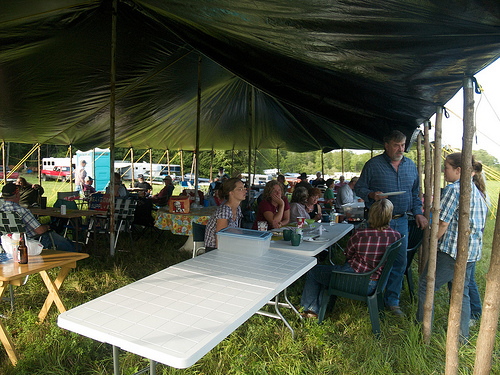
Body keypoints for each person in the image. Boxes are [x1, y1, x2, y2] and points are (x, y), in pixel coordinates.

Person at [355, 130, 427, 316]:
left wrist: (418, 213)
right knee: (376, 260)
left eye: (403, 145)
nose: (400, 149)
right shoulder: (373, 165)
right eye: (396, 145)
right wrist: (372, 195)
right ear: (386, 145)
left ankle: (392, 301)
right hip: (378, 221)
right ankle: (373, 295)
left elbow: (415, 195)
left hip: (401, 220)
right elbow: (360, 188)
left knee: (399, 261)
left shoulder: (410, 166)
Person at [416, 152, 487, 342]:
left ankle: (421, 329)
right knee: (460, 292)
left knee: (425, 285)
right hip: (470, 253)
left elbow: (443, 223)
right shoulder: (478, 191)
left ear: (459, 170)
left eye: (446, 167)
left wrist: (432, 241)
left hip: (452, 252)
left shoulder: (454, 190)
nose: (444, 171)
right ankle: (461, 337)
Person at [300, 199, 401, 318]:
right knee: (327, 273)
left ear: (371, 214)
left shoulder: (361, 234)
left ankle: (309, 310)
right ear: (389, 216)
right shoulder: (396, 236)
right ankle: (321, 306)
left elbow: (347, 254)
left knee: (313, 271)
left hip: (354, 280)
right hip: (377, 283)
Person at [0, 183, 76, 251]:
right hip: (31, 242)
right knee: (65, 243)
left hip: (8, 243)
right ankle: (77, 251)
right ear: (17, 195)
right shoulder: (22, 211)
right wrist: (48, 226)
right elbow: (40, 231)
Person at [204, 178, 246, 251]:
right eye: (240, 189)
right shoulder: (224, 211)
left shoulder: (238, 208)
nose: (245, 191)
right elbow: (220, 241)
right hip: (213, 251)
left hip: (229, 246)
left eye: (244, 188)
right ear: (231, 192)